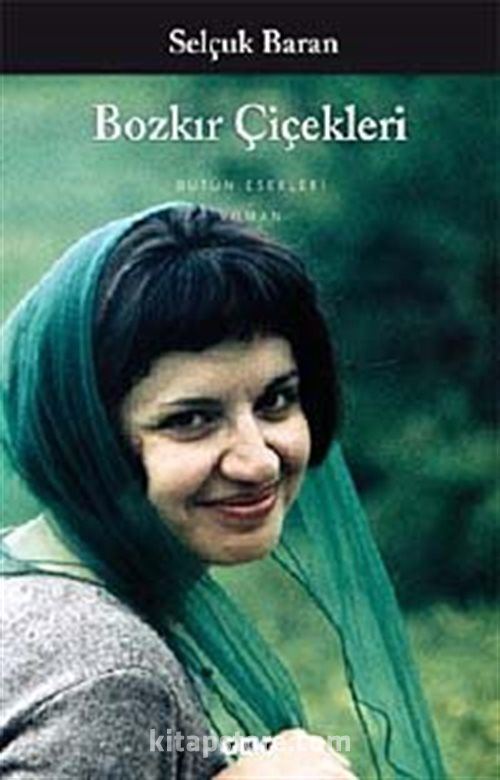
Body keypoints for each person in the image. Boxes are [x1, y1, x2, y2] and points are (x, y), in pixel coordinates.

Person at [0, 203, 445, 779]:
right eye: (191, 420)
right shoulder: (110, 677)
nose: (258, 461)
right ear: (85, 443)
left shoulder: (23, 574)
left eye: (276, 401)